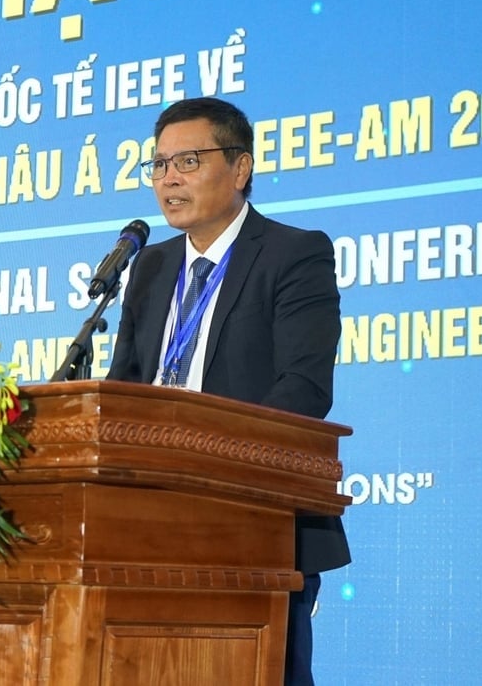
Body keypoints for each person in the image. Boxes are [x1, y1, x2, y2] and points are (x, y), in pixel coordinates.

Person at [106, 96, 350, 686]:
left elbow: (304, 389)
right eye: (159, 165)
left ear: (240, 169)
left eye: (187, 161)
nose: (168, 179)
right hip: (145, 528)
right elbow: (124, 389)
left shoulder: (295, 254)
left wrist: (202, 462)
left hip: (252, 523)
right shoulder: (150, 266)